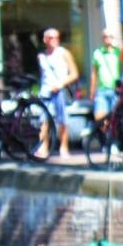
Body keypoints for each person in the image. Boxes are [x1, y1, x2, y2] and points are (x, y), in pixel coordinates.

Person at [37, 27, 78, 158]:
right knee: (43, 121)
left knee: (62, 120)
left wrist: (60, 84)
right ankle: (43, 147)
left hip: (59, 91)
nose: (54, 40)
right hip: (46, 91)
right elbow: (42, 75)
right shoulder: (42, 56)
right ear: (45, 40)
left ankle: (64, 148)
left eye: (56, 38)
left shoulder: (64, 53)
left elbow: (74, 73)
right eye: (51, 38)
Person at [89, 29, 122, 132]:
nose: (108, 39)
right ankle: (106, 139)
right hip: (102, 89)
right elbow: (94, 73)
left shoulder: (118, 52)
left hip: (115, 89)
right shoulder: (97, 53)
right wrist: (92, 91)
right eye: (105, 37)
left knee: (115, 118)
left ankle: (114, 141)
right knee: (100, 117)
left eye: (110, 36)